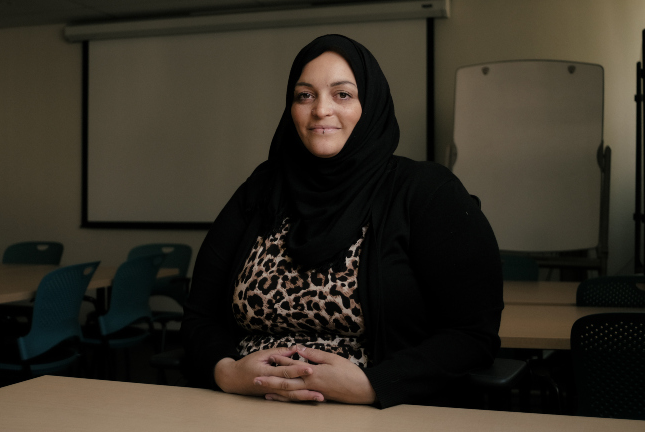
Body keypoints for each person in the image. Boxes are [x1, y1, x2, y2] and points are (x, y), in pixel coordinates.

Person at [180, 34, 503, 409]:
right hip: (244, 410)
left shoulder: (427, 192)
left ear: (371, 104)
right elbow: (199, 317)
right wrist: (226, 372)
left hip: (378, 414)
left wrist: (373, 385)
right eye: (305, 95)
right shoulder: (260, 190)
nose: (321, 110)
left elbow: (472, 334)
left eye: (342, 94)